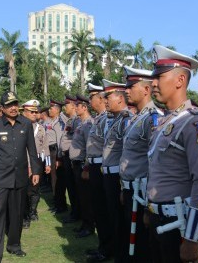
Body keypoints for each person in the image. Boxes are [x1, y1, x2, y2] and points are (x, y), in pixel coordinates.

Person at [146, 45, 198, 263]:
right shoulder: (165, 121)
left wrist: (192, 238)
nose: (153, 83)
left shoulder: (194, 122)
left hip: (179, 225)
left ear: (180, 81)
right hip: (159, 218)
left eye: (159, 76)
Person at [0, 91, 42, 262]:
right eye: (9, 105)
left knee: (16, 214)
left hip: (20, 176)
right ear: (2, 108)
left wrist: (36, 171)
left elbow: (32, 149)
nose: (14, 107)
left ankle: (14, 245)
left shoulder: (26, 124)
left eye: (15, 104)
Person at [119, 66, 162, 262]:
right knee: (131, 241)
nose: (126, 90)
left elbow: (154, 160)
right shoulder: (136, 117)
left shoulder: (152, 118)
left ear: (146, 90)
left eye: (131, 86)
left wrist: (147, 204)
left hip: (142, 194)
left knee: (142, 246)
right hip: (130, 189)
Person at [100, 79, 133, 262]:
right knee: (113, 218)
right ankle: (116, 252)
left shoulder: (126, 119)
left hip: (116, 177)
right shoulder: (117, 119)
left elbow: (126, 153)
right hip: (109, 174)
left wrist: (120, 183)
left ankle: (121, 255)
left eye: (109, 97)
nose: (106, 101)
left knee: (119, 221)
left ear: (120, 99)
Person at [85, 83, 113, 262]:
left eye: (92, 97)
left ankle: (107, 248)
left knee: (104, 210)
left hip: (102, 167)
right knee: (99, 209)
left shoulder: (107, 119)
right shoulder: (99, 118)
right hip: (95, 166)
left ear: (101, 99)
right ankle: (103, 245)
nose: (89, 101)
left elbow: (108, 147)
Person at [21, 99, 50, 229]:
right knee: (23, 191)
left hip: (36, 162)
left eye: (36, 112)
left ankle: (33, 211)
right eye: (31, 112)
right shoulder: (18, 126)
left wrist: (47, 164)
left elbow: (45, 147)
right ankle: (24, 216)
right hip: (21, 163)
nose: (34, 114)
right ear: (24, 111)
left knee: (34, 189)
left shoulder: (40, 128)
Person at [69, 94, 95, 238]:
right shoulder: (80, 123)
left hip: (82, 165)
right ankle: (84, 223)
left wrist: (86, 167)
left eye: (77, 106)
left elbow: (88, 147)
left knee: (86, 198)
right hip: (76, 164)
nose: (75, 108)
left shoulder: (89, 124)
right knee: (81, 196)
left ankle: (89, 226)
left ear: (84, 107)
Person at [58, 94, 81, 223]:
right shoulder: (70, 120)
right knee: (71, 187)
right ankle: (74, 212)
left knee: (74, 188)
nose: (64, 108)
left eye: (66, 105)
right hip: (67, 156)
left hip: (72, 157)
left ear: (72, 106)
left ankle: (77, 213)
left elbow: (76, 141)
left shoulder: (76, 121)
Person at [45, 99, 65, 213]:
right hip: (51, 151)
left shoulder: (58, 123)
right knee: (53, 179)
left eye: (51, 108)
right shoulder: (52, 121)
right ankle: (57, 203)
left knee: (57, 180)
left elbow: (59, 140)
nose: (49, 110)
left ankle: (60, 205)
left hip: (55, 151)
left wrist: (59, 158)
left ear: (57, 110)